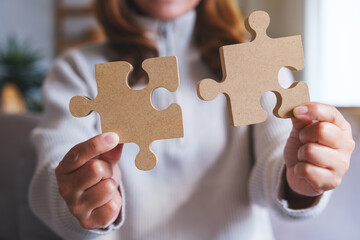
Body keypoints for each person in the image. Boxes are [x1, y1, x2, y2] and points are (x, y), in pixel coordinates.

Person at [29, 0, 355, 239]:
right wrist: (75, 194)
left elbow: (277, 162)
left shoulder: (257, 60)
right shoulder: (77, 71)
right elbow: (52, 169)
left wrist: (300, 180)